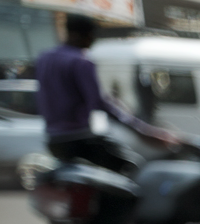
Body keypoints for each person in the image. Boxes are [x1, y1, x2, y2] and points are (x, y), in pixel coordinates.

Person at [35, 14, 175, 175]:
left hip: (53, 140)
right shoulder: (81, 61)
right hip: (80, 139)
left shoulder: (44, 58)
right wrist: (142, 130)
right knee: (131, 167)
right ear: (80, 35)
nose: (92, 42)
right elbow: (99, 102)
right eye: (90, 36)